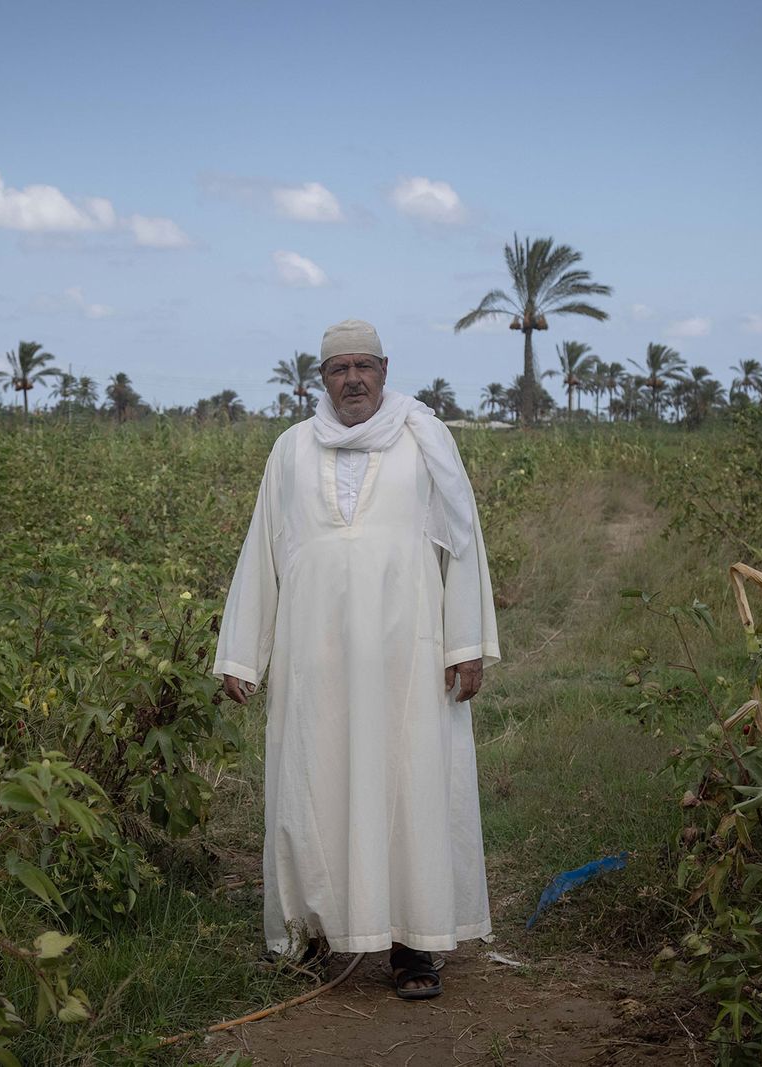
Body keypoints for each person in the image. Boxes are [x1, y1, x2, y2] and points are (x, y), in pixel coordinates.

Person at [214, 319, 501, 1000]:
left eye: (364, 367)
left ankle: (414, 949)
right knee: (311, 788)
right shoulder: (290, 451)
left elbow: (461, 542)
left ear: (384, 369)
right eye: (339, 368)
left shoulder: (423, 437)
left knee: (410, 789)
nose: (353, 379)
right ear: (321, 379)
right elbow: (262, 553)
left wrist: (465, 643)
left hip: (407, 659)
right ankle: (307, 940)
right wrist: (243, 655)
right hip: (313, 659)